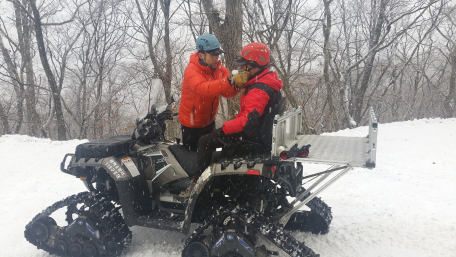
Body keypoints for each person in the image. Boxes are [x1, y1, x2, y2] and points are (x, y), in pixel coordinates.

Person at [179, 42, 283, 198]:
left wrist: (226, 127)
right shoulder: (268, 79)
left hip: (249, 135)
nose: (241, 68)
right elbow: (205, 88)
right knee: (208, 142)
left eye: (244, 65)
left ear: (253, 66)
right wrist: (233, 83)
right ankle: (210, 175)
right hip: (257, 133)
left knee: (204, 141)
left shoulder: (258, 89)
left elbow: (248, 120)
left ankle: (196, 185)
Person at [178, 34, 250, 151]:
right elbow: (204, 89)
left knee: (208, 155)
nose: (216, 58)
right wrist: (230, 80)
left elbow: (227, 93)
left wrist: (237, 85)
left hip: (209, 121)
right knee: (192, 159)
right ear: (201, 54)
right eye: (213, 54)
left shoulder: (220, 69)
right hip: (191, 125)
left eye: (218, 54)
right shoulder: (191, 70)